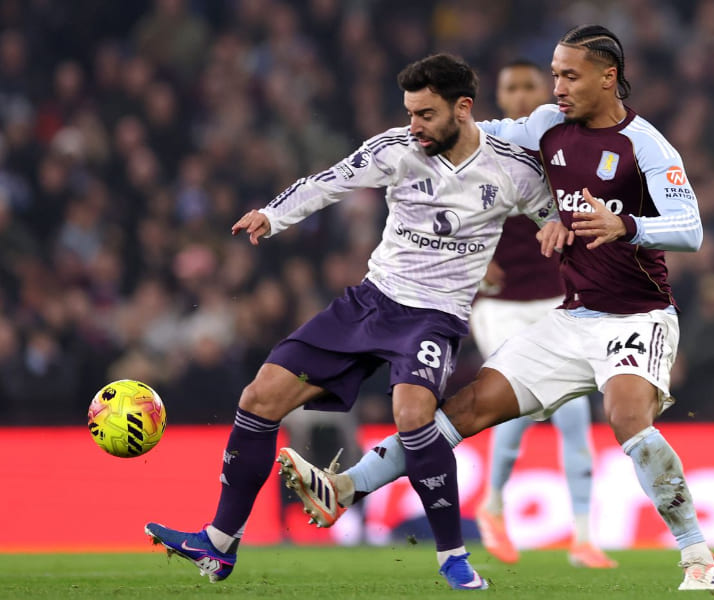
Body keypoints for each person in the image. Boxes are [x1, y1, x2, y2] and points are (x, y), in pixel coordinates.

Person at [280, 26, 714, 591]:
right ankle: (345, 489)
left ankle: (699, 558)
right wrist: (423, 129)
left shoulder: (647, 145)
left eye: (570, 75)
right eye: (555, 74)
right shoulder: (545, 125)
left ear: (608, 77)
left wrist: (625, 224)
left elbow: (690, 229)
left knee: (625, 416)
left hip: (638, 316)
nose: (557, 86)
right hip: (571, 318)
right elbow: (473, 134)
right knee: (463, 410)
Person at [144, 53, 567, 591]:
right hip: (370, 303)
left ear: (463, 108)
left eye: (426, 114)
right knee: (259, 398)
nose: (414, 126)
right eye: (410, 113)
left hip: (434, 317)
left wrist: (558, 232)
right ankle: (220, 543)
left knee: (412, 414)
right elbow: (328, 182)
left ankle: (453, 557)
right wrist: (273, 215)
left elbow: (557, 217)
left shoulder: (511, 168)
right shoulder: (396, 148)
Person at [471, 59, 616, 569]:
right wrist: (476, 257)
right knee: (524, 399)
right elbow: (449, 214)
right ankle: (493, 504)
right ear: (500, 96)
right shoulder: (482, 151)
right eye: (510, 87)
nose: (520, 95)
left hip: (556, 299)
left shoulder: (564, 148)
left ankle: (583, 537)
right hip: (499, 305)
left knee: (573, 412)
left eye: (528, 86)